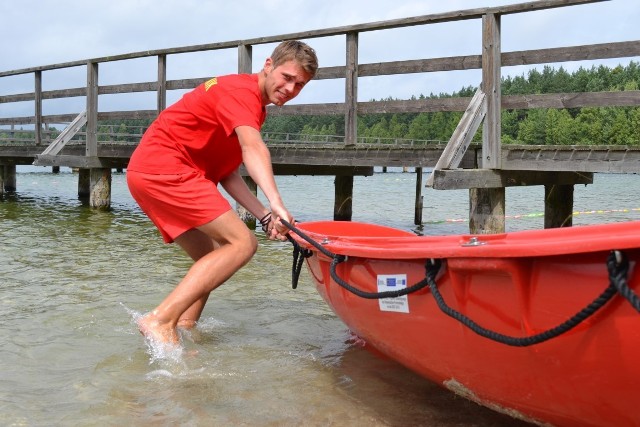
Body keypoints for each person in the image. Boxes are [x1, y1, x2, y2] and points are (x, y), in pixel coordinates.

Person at [126, 40, 318, 345]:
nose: (291, 89)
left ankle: (183, 327)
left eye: (301, 85)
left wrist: (266, 216)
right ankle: (160, 320)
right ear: (268, 65)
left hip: (148, 172)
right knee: (243, 244)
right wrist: (277, 202)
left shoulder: (250, 104)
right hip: (166, 168)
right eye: (287, 77)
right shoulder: (241, 94)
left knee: (212, 256)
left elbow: (226, 172)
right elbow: (252, 148)